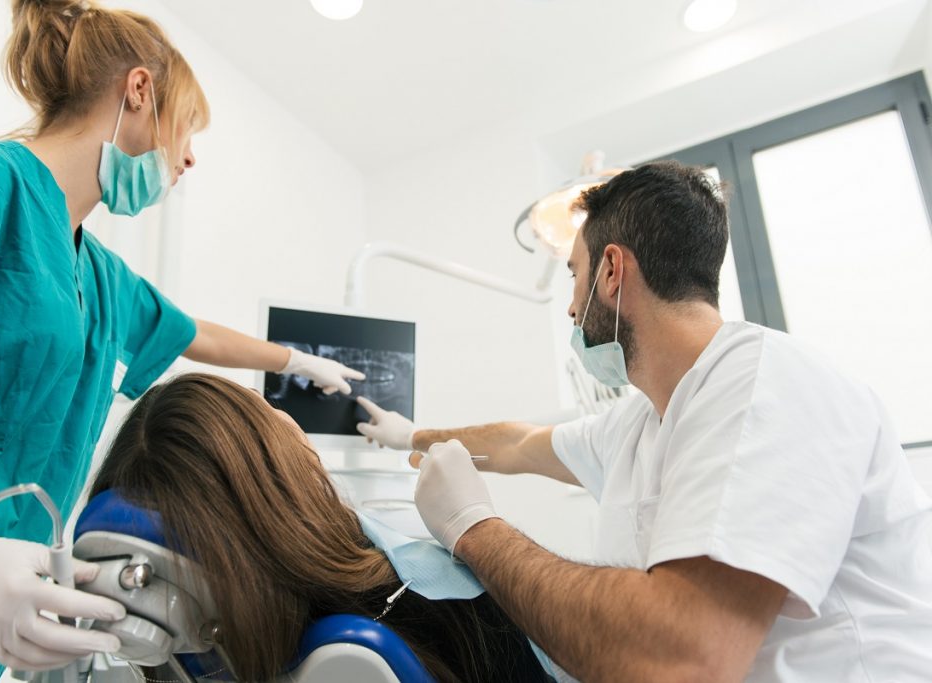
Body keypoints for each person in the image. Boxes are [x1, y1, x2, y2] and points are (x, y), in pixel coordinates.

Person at [0, 2, 363, 681]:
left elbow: (197, 333)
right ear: (139, 91)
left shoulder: (100, 277)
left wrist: (298, 361)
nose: (190, 156)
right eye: (186, 129)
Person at [357, 161, 932, 681]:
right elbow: (517, 443)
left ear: (612, 270)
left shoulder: (764, 387)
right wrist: (409, 434)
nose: (570, 305)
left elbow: (682, 658)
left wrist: (473, 528)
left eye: (574, 275)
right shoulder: (640, 420)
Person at [87, 372, 555, 683]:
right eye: (264, 408)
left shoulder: (196, 658)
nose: (287, 416)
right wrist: (477, 528)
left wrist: (411, 437)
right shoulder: (442, 608)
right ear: (275, 476)